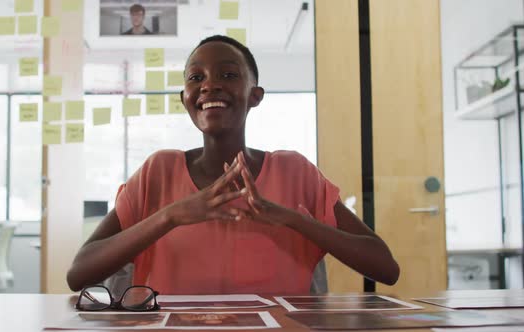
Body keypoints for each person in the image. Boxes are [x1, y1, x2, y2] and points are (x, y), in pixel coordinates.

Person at [67, 35, 400, 295]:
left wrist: (295, 220)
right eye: (196, 77)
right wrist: (170, 215)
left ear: (255, 95)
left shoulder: (295, 171)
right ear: (184, 98)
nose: (209, 84)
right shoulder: (159, 170)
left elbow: (386, 269)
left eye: (228, 74)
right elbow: (79, 273)